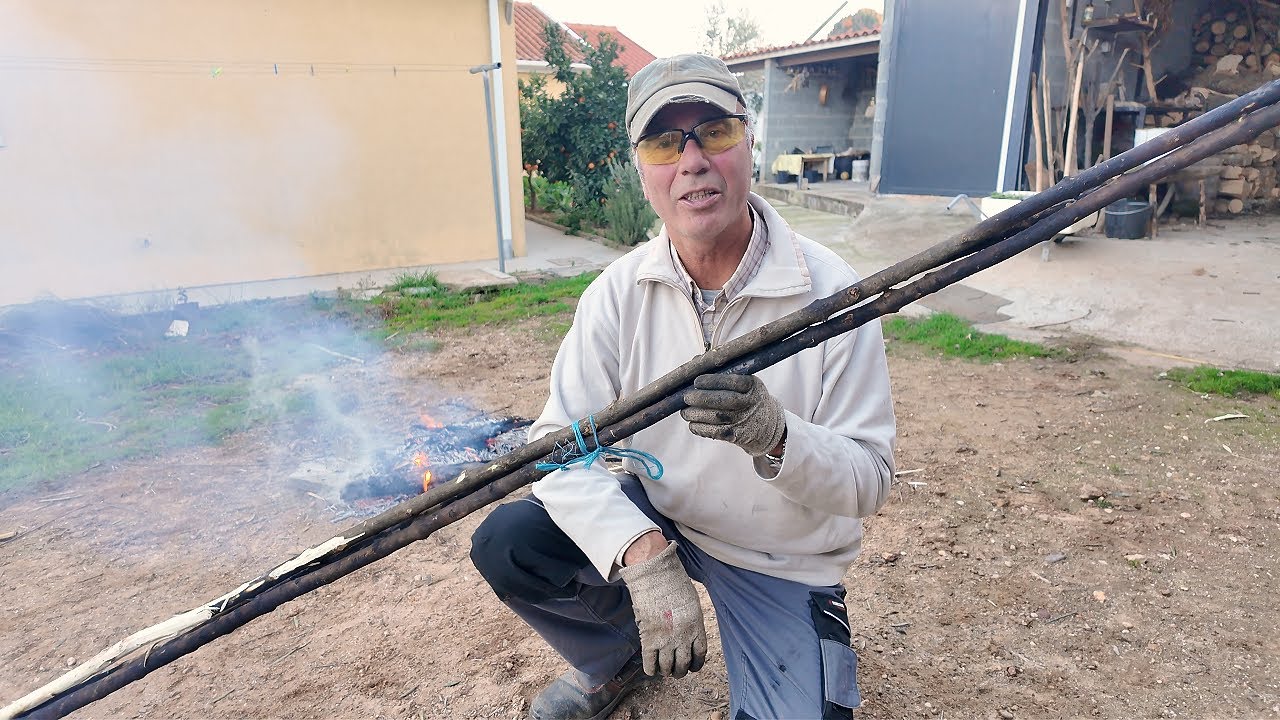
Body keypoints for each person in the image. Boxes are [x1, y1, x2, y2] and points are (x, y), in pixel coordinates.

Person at [470, 53, 896, 720]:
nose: (692, 159)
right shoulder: (618, 294)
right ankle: (618, 658)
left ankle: (809, 635)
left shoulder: (830, 292)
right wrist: (639, 551)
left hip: (777, 558)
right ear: (642, 171)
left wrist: (777, 437)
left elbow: (869, 479)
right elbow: (555, 445)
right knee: (509, 543)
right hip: (663, 518)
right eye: (665, 142)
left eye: (715, 132)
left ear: (750, 142)